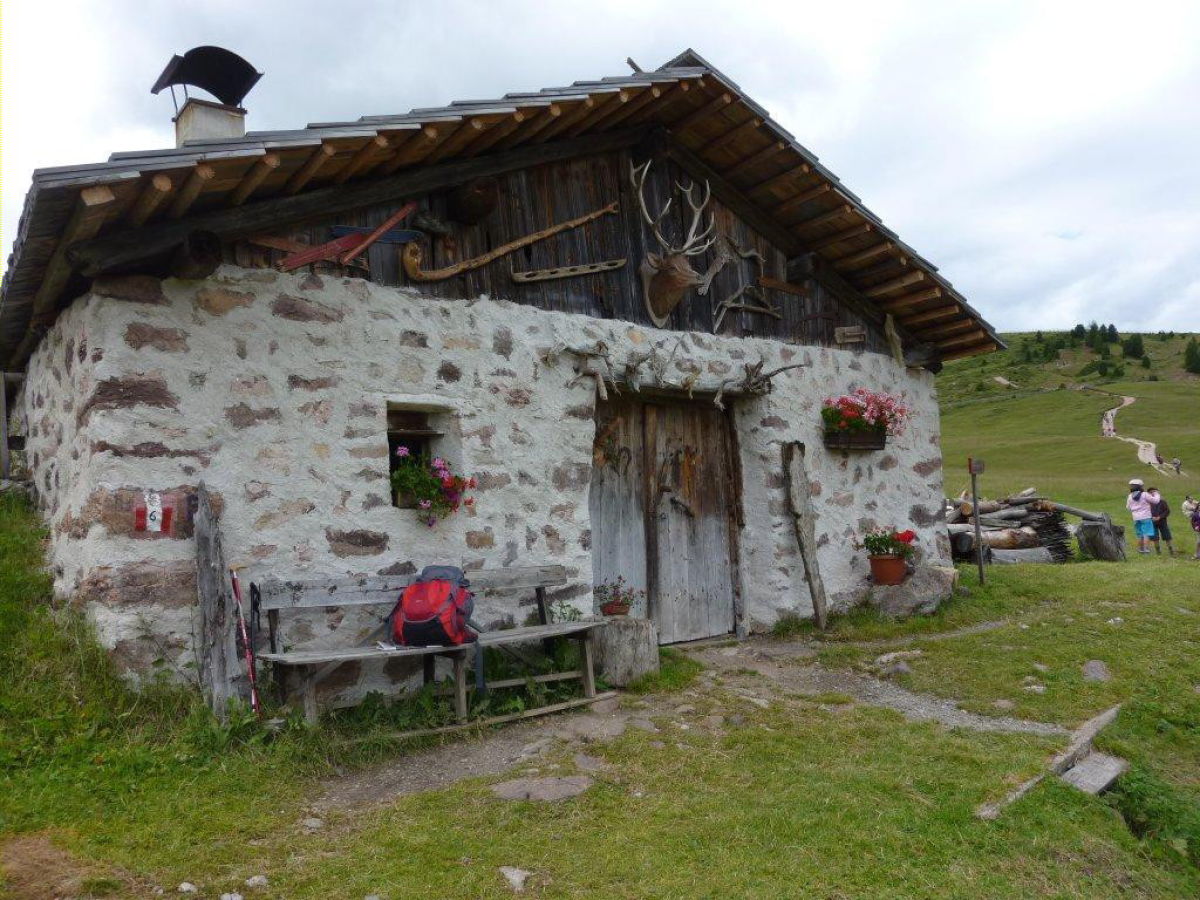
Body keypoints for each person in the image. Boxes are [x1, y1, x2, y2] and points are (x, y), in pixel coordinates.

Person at [1126, 478, 1156, 554]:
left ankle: (1140, 549)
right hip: (1145, 516)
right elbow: (1155, 501)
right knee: (1147, 533)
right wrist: (1156, 494)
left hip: (1136, 517)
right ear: (1140, 486)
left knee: (1139, 534)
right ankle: (1146, 549)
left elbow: (1128, 508)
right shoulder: (1145, 494)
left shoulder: (1130, 496)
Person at [1144, 486, 1175, 556]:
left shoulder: (1162, 501)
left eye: (1154, 492)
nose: (1152, 493)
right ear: (1148, 494)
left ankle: (1171, 550)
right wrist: (1150, 517)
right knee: (1155, 537)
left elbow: (1167, 511)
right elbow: (1145, 512)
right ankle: (1158, 552)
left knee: (1167, 536)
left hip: (1162, 522)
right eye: (1150, 492)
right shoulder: (1147, 502)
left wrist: (1160, 517)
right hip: (1152, 522)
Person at [1184, 495, 1200, 560]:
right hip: (1199, 531)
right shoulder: (1195, 514)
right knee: (1199, 542)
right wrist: (1195, 527)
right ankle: (1197, 554)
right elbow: (1192, 522)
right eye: (1199, 506)